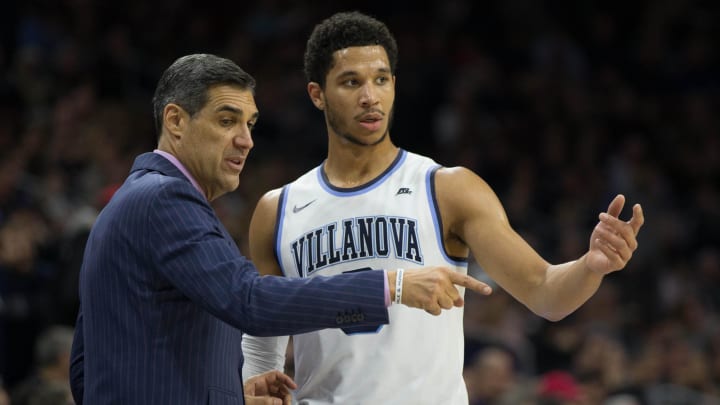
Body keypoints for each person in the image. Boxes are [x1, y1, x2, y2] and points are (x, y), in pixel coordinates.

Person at [241, 11, 644, 404]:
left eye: (381, 80)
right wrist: (256, 384)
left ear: (394, 85)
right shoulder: (278, 210)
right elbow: (263, 338)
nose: (370, 97)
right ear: (317, 94)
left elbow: (545, 293)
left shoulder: (446, 189)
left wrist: (591, 266)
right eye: (351, 82)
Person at [68, 53, 493, 405]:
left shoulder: (125, 207)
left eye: (250, 124)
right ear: (176, 121)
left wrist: (228, 396)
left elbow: (86, 369)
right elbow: (249, 299)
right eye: (226, 120)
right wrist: (391, 286)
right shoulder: (165, 200)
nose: (245, 140)